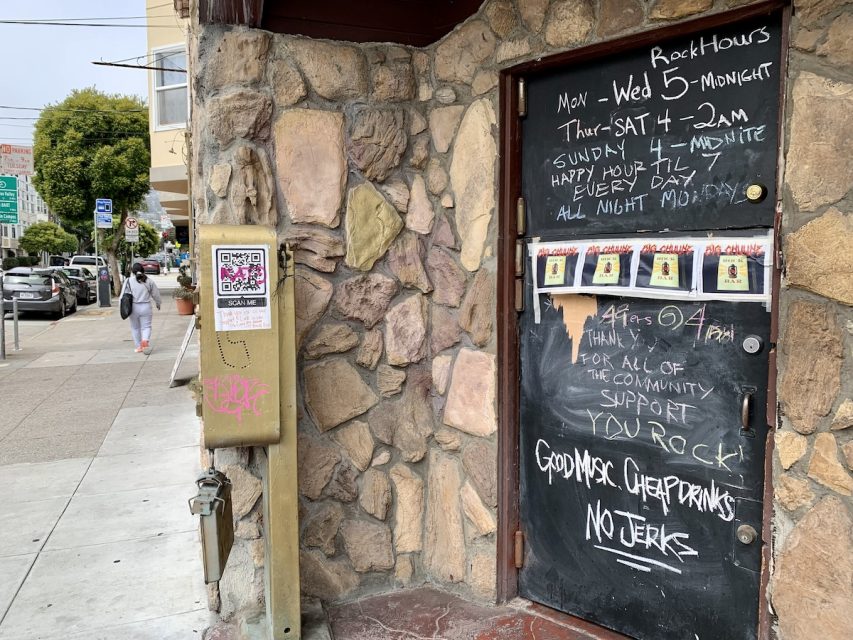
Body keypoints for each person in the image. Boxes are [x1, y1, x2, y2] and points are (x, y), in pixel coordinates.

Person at [124, 263, 161, 353]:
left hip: (133, 307)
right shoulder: (149, 281)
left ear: (132, 271)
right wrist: (158, 303)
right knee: (146, 327)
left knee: (135, 328)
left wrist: (122, 307)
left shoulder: (128, 281)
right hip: (146, 306)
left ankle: (139, 346)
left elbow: (123, 295)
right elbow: (155, 294)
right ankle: (145, 340)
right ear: (143, 270)